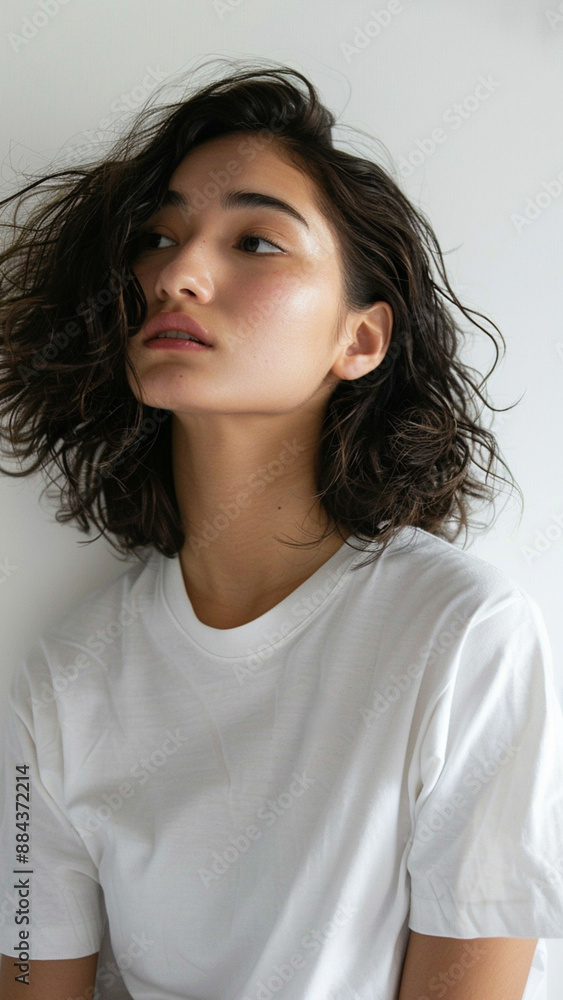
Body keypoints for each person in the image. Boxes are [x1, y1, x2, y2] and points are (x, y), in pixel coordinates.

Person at [0, 57, 562, 1000]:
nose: (177, 272)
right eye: (157, 236)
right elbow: (27, 969)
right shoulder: (65, 679)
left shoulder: (458, 635)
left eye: (256, 242)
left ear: (362, 339)